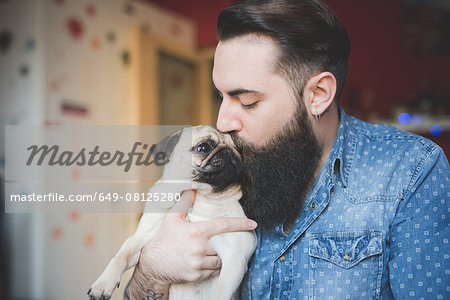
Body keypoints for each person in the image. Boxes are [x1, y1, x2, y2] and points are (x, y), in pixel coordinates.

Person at [124, 0, 450, 299]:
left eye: (247, 101)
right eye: (220, 97)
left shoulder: (411, 170)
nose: (222, 122)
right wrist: (152, 272)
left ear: (319, 94)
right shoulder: (224, 170)